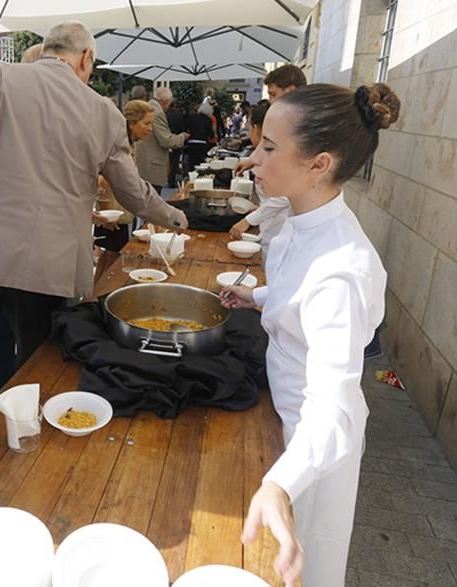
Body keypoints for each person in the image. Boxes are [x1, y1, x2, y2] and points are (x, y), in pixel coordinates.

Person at [0, 20, 187, 439]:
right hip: (49, 265)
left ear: (46, 48)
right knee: (38, 368)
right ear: (86, 58)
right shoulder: (103, 111)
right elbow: (130, 191)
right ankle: (25, 444)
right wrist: (176, 218)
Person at [220, 82, 399, 585]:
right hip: (278, 410)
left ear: (318, 164)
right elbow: (294, 296)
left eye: (270, 148)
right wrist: (256, 298)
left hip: (311, 444)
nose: (255, 158)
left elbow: (333, 405)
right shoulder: (301, 221)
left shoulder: (343, 268)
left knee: (303, 569)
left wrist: (281, 484)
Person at [94, 98, 154, 281]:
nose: (150, 128)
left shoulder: (131, 142)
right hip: (111, 209)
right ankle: (97, 297)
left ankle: (95, 295)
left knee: (110, 257)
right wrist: (122, 183)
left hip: (121, 208)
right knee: (111, 257)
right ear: (131, 123)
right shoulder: (117, 143)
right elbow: (99, 177)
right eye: (146, 123)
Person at [228, 100, 290, 253]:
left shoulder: (281, 155)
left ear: (256, 127)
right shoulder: (264, 152)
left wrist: (248, 220)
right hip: (269, 227)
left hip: (279, 230)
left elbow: (285, 197)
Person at [135, 86, 188, 193]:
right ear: (166, 101)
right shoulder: (157, 112)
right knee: (152, 202)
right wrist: (182, 137)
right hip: (151, 166)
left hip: (144, 162)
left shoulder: (148, 108)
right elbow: (166, 140)